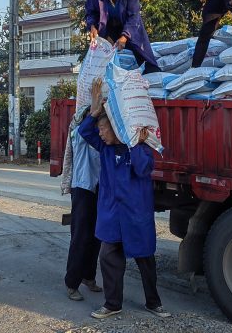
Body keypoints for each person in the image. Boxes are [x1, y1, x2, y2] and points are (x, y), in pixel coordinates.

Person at [77, 78, 170, 320]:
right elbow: (84, 131)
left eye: (103, 129)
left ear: (116, 129)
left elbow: (142, 169)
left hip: (136, 214)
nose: (100, 133)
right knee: (109, 257)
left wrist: (136, 144)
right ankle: (112, 304)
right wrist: (94, 113)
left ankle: (154, 302)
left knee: (145, 259)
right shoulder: (105, 148)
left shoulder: (139, 148)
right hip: (112, 214)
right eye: (99, 129)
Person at [85, 0, 160, 74]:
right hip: (108, 28)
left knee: (142, 52)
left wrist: (124, 37)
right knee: (107, 58)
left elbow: (133, 16)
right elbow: (90, 13)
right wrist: (92, 26)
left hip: (130, 25)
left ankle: (152, 71)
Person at [63, 109, 103, 301]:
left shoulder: (100, 137)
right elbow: (84, 130)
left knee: (96, 237)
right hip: (82, 188)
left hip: (98, 189)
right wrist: (93, 112)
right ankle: (72, 283)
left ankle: (88, 276)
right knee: (81, 237)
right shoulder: (79, 134)